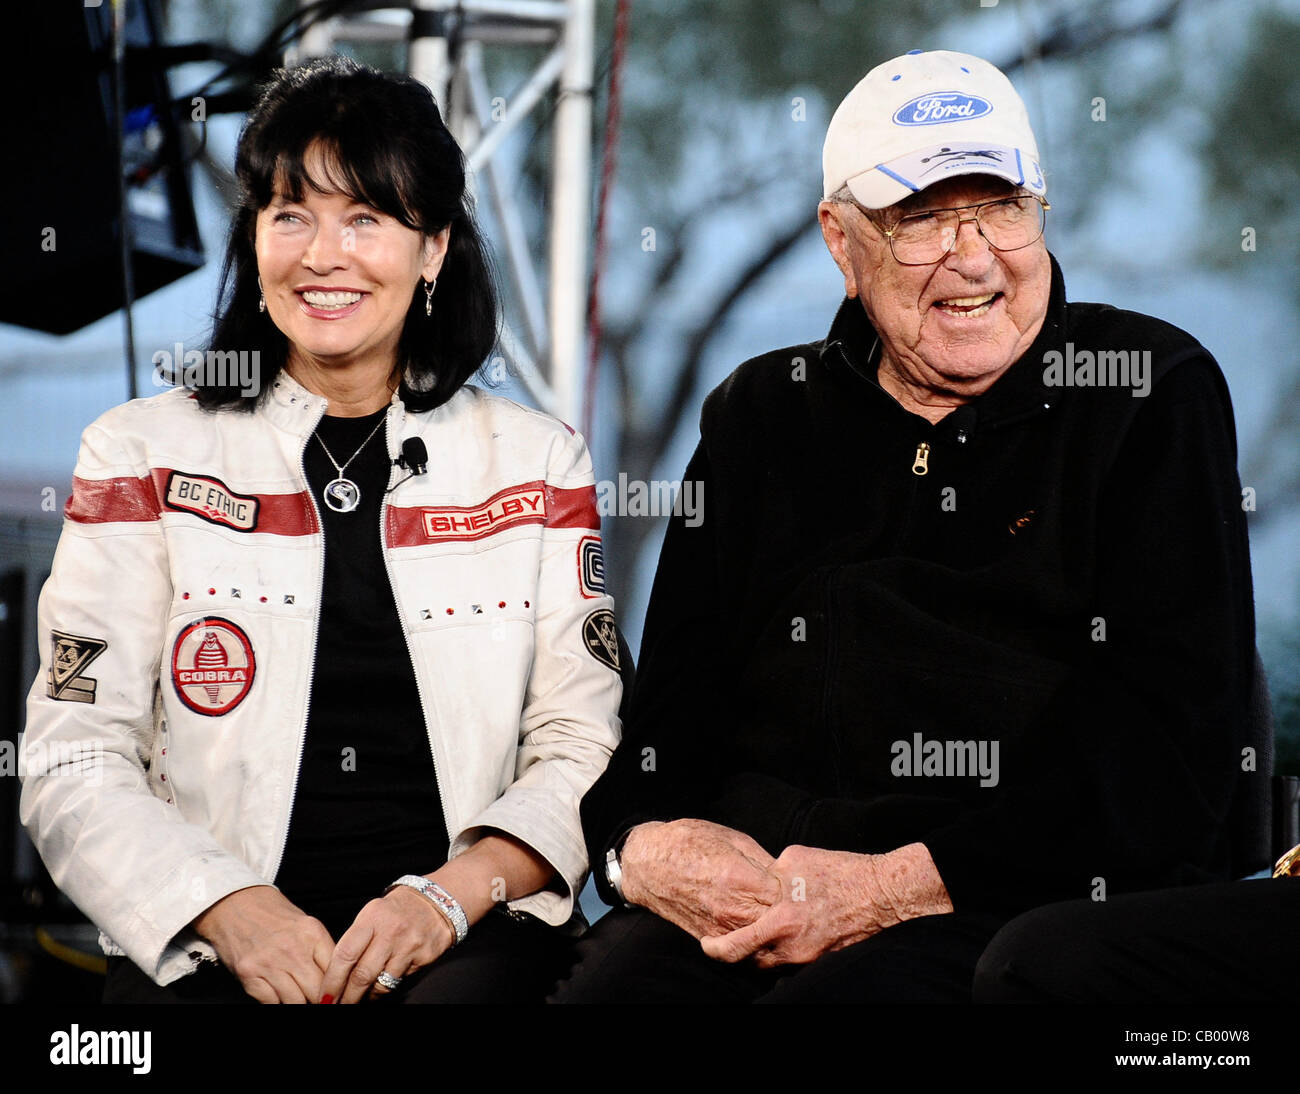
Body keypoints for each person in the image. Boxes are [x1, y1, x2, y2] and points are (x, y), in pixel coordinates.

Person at [554, 49, 1258, 1004]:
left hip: (1007, 898)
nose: (973, 258)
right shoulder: (762, 415)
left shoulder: (1146, 388)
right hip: (757, 891)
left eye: (1002, 208)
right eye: (922, 218)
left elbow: (1165, 768)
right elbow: (666, 728)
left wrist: (882, 890)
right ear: (842, 245)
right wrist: (641, 851)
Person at [20, 57, 621, 1004]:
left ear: (433, 251)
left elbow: (580, 744)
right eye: (290, 213)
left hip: (463, 944)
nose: (322, 254)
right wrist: (226, 907)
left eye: (366, 219)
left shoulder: (539, 461)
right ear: (253, 239)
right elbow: (73, 752)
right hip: (208, 945)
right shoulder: (138, 450)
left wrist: (445, 901)